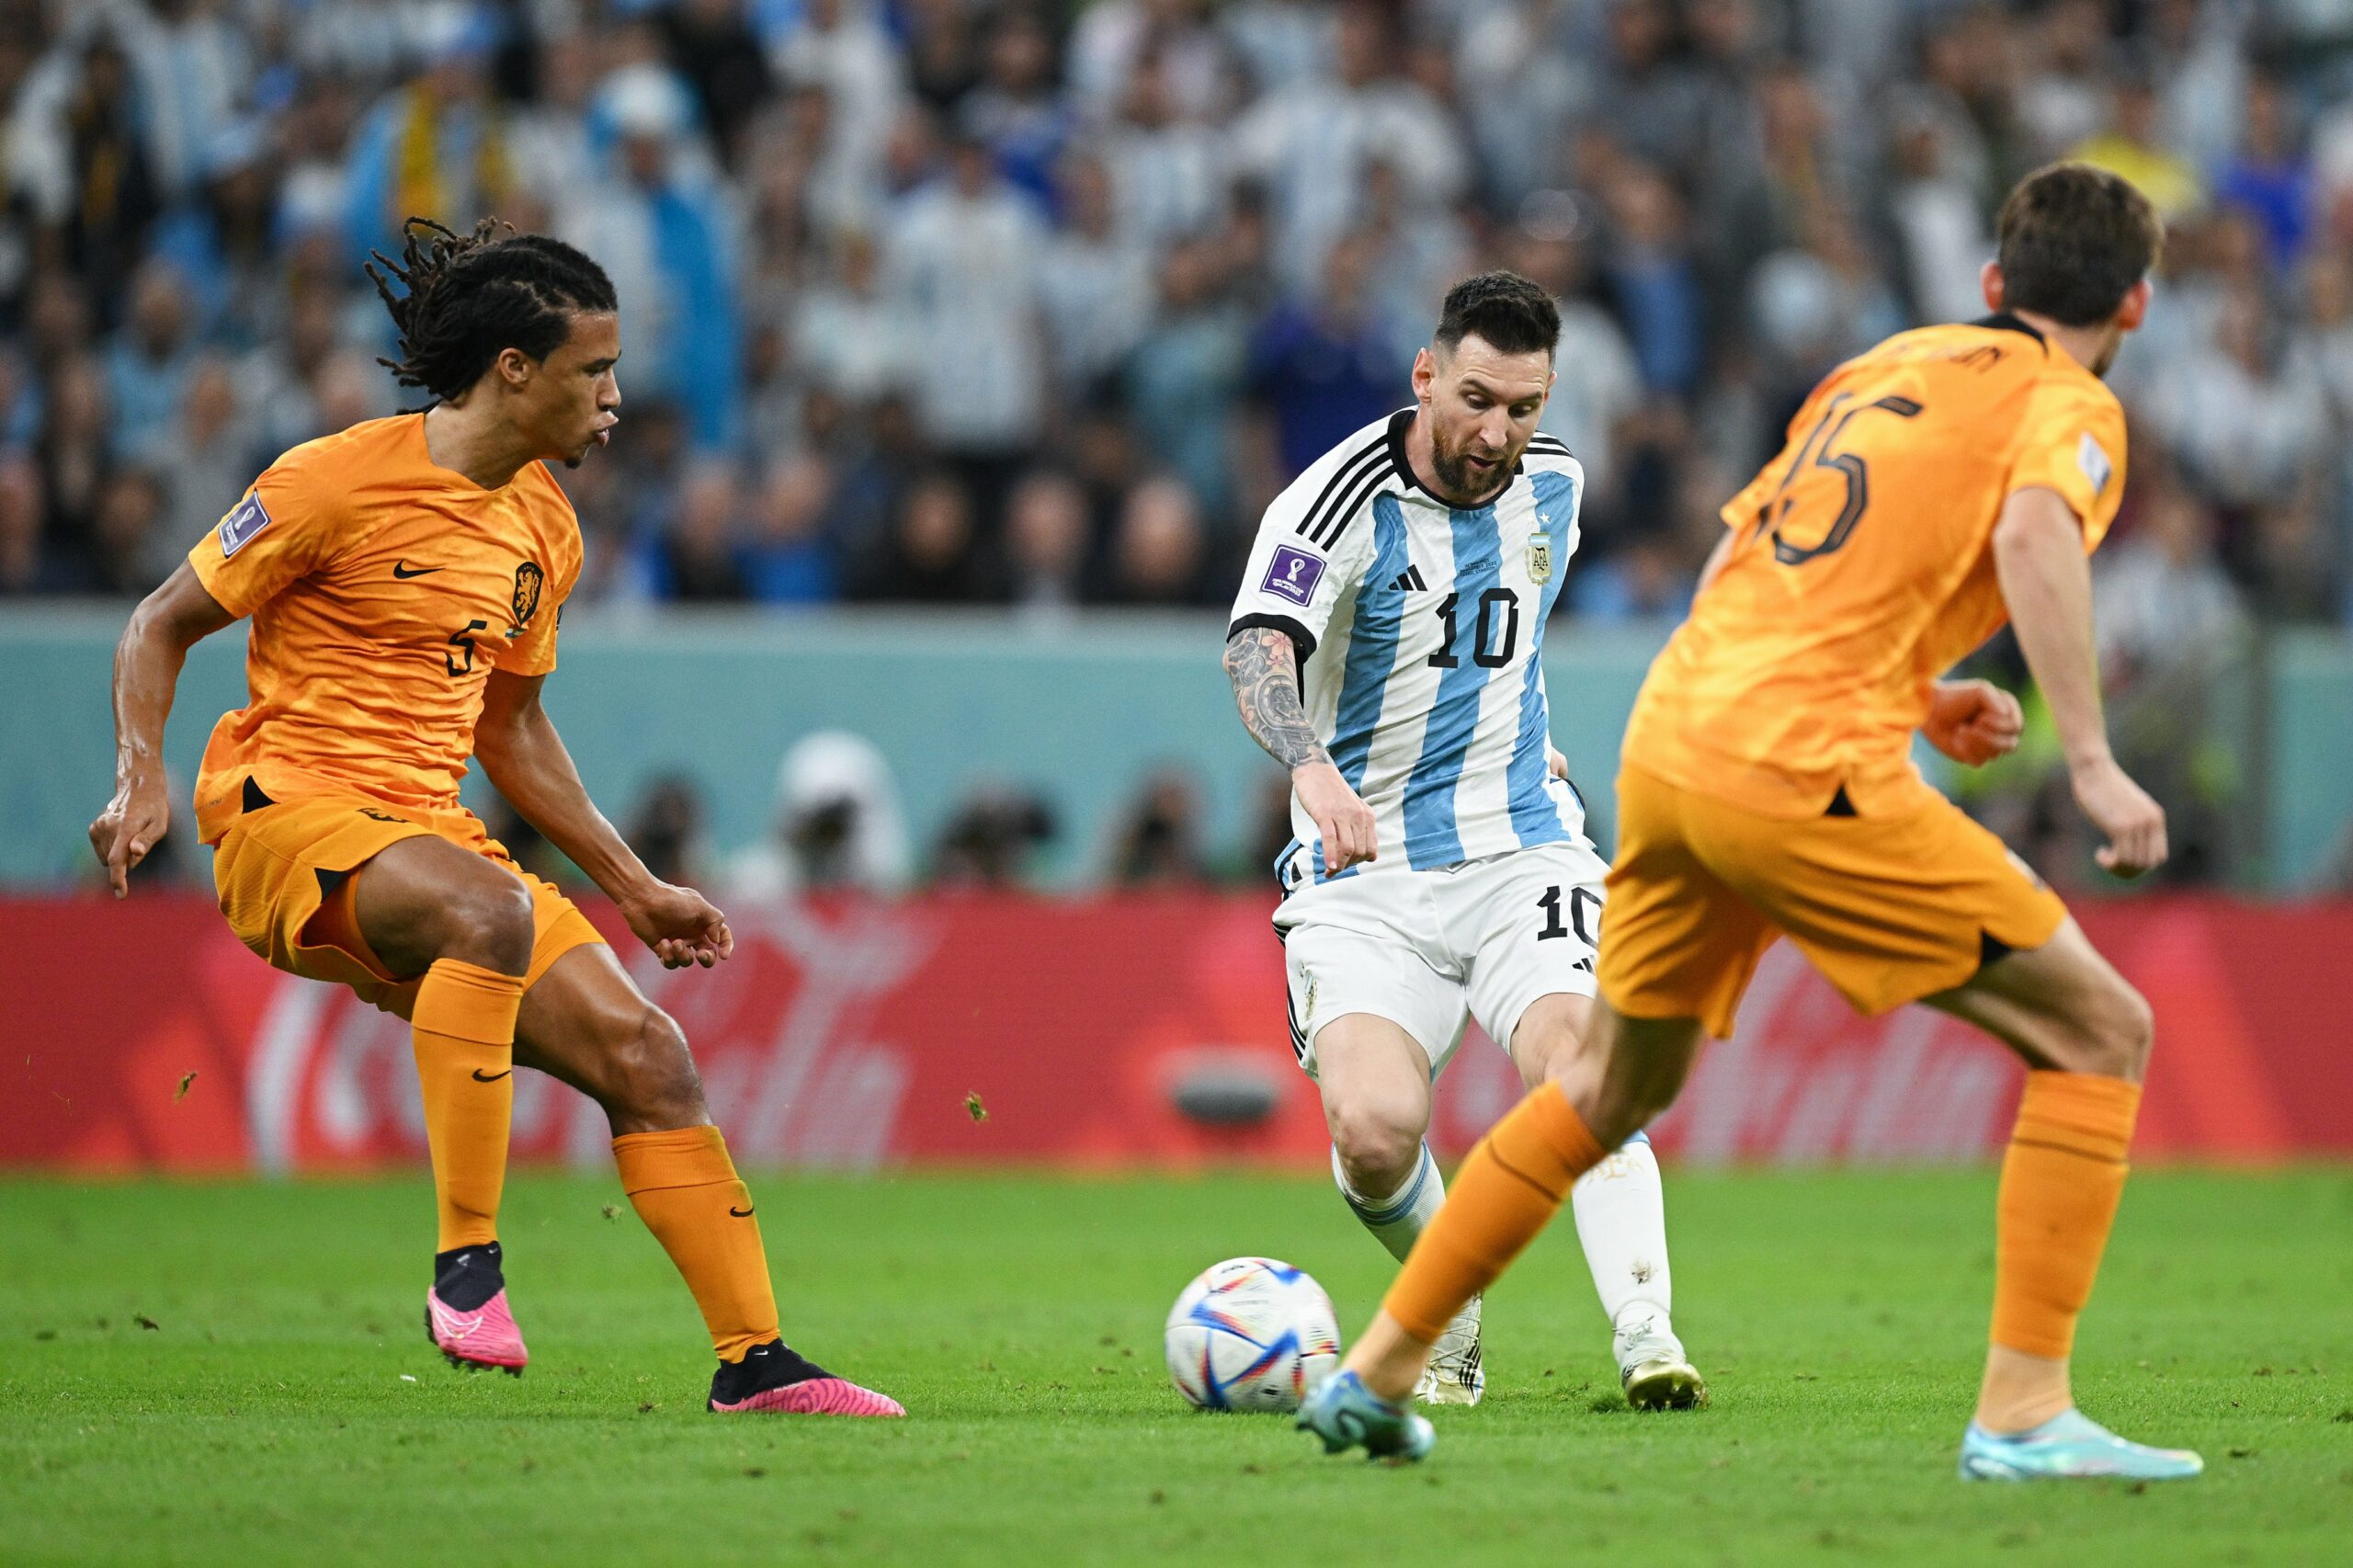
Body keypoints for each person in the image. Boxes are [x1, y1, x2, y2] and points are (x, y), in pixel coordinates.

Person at [1300, 164, 2204, 1483]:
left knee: (1604, 1086)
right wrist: (2098, 763)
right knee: (2102, 1030)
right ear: (2134, 301)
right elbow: (2034, 538)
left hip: (1677, 738)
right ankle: (2021, 1412)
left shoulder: (1888, 366)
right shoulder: (2072, 406)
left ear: (1994, 285)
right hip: (1802, 766)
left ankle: (1377, 1375)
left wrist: (1916, 690)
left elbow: (1746, 559)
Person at [86, 218, 900, 1420]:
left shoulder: (547, 528)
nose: (617, 398)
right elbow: (159, 621)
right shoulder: (330, 479)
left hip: (431, 842)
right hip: (287, 822)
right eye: (594, 370)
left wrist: (635, 886)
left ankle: (756, 1360)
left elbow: (510, 732)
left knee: (650, 1056)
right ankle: (466, 1261)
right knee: (491, 907)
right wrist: (139, 770)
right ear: (515, 369)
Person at [1223, 272, 1703, 1413]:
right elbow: (1257, 651)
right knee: (1374, 1130)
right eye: (1477, 398)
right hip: (1363, 871)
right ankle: (1451, 1309)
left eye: (1524, 406)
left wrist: (1519, 738)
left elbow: (1501, 641)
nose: (1497, 433)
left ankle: (1647, 1334)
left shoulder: (1557, 488)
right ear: (1425, 374)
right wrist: (1311, 763)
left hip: (1518, 850)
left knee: (1587, 1067)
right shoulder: (1326, 503)